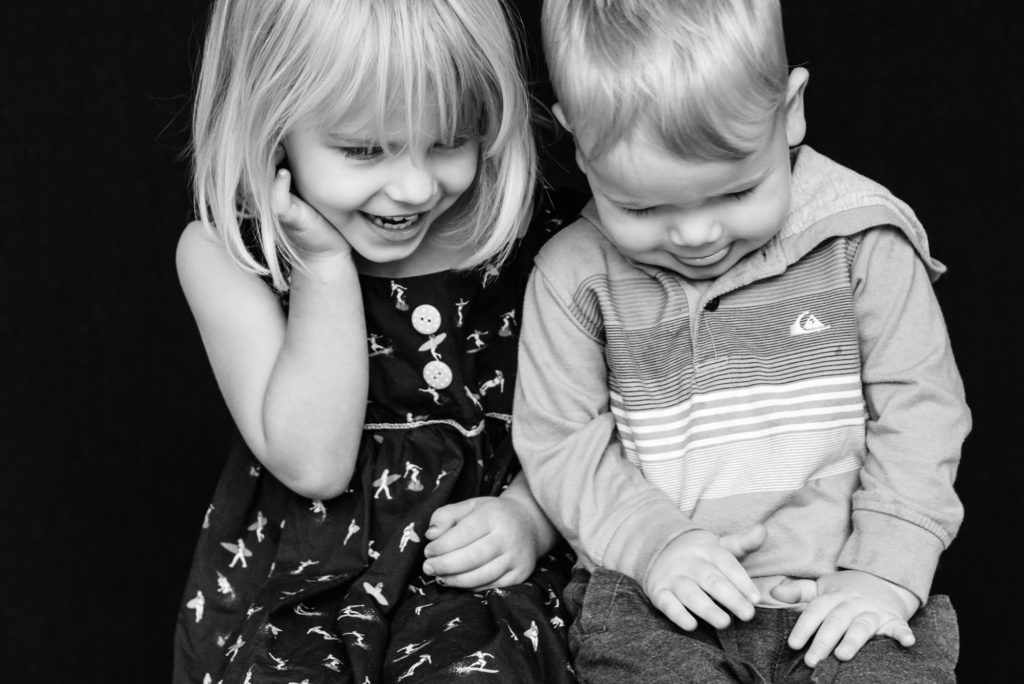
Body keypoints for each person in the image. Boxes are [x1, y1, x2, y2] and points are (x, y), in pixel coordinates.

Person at [512, 0, 970, 681]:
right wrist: (656, 545)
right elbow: (560, 442)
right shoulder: (574, 276)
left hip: (842, 593)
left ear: (790, 112)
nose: (696, 235)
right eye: (643, 207)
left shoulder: (862, 240)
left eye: (735, 193)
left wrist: (883, 574)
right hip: (658, 603)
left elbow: (921, 411)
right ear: (578, 142)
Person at [172, 1, 583, 682]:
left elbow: (618, 418)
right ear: (272, 126)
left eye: (450, 140)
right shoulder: (226, 257)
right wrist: (325, 271)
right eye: (365, 150)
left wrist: (532, 515)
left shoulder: (551, 238)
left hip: (490, 582)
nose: (417, 186)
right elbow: (315, 463)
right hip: (305, 603)